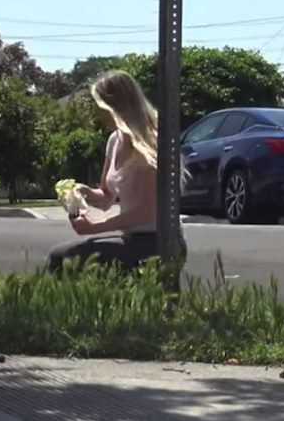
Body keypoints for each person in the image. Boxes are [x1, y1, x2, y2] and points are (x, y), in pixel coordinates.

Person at [45, 70, 188, 274]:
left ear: (116, 107)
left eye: (101, 108)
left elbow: (143, 213)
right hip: (131, 238)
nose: (97, 115)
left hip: (159, 243)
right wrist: (82, 194)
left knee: (64, 258)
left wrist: (94, 227)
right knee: (60, 255)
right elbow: (106, 196)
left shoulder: (150, 146)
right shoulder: (115, 140)